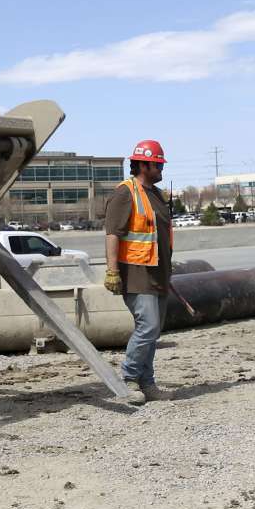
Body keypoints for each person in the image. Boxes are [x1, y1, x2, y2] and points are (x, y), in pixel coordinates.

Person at [103, 140, 173, 405]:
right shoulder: (125, 193)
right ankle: (129, 379)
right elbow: (113, 234)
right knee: (148, 326)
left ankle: (147, 383)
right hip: (136, 273)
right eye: (157, 165)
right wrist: (112, 271)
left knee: (153, 332)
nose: (161, 169)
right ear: (143, 165)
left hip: (158, 273)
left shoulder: (156, 194)